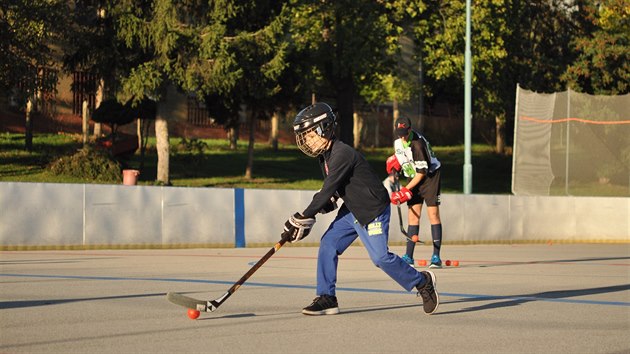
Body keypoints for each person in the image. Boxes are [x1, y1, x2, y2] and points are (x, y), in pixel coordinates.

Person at [281, 102, 439, 316]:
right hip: (352, 210)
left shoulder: (341, 153)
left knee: (380, 258)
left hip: (373, 210)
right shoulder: (324, 156)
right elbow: (335, 189)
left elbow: (327, 188)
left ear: (324, 129)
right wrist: (324, 206)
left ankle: (423, 282)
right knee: (328, 244)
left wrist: (302, 217)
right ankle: (327, 297)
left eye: (310, 135)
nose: (307, 141)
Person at [386, 116, 443, 269]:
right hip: (413, 177)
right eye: (399, 132)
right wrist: (393, 172)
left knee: (433, 214)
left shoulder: (418, 144)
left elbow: (422, 173)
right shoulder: (398, 142)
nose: (402, 136)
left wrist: (405, 190)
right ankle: (408, 256)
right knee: (413, 215)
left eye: (404, 133)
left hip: (430, 176)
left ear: (410, 130)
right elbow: (402, 161)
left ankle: (436, 257)